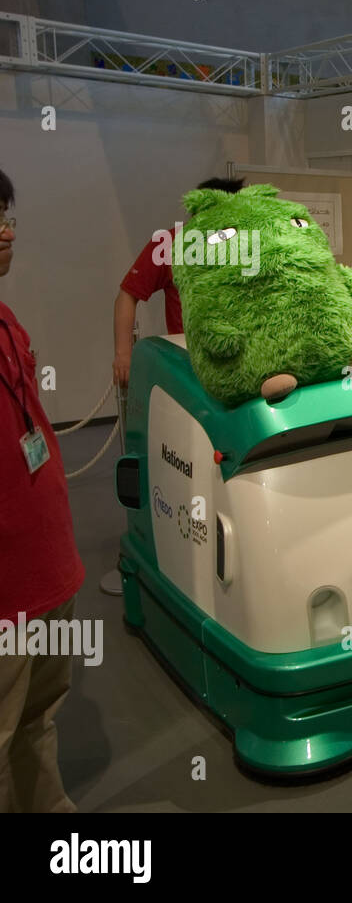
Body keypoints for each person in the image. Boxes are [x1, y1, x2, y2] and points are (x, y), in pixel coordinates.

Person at [0, 168, 85, 812]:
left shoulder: (8, 321)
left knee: (38, 717)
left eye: (8, 217)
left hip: (47, 572)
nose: (5, 233)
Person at [113, 177, 245, 388]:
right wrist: (123, 355)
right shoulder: (171, 242)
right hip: (190, 361)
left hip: (242, 358)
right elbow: (127, 296)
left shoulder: (248, 243)